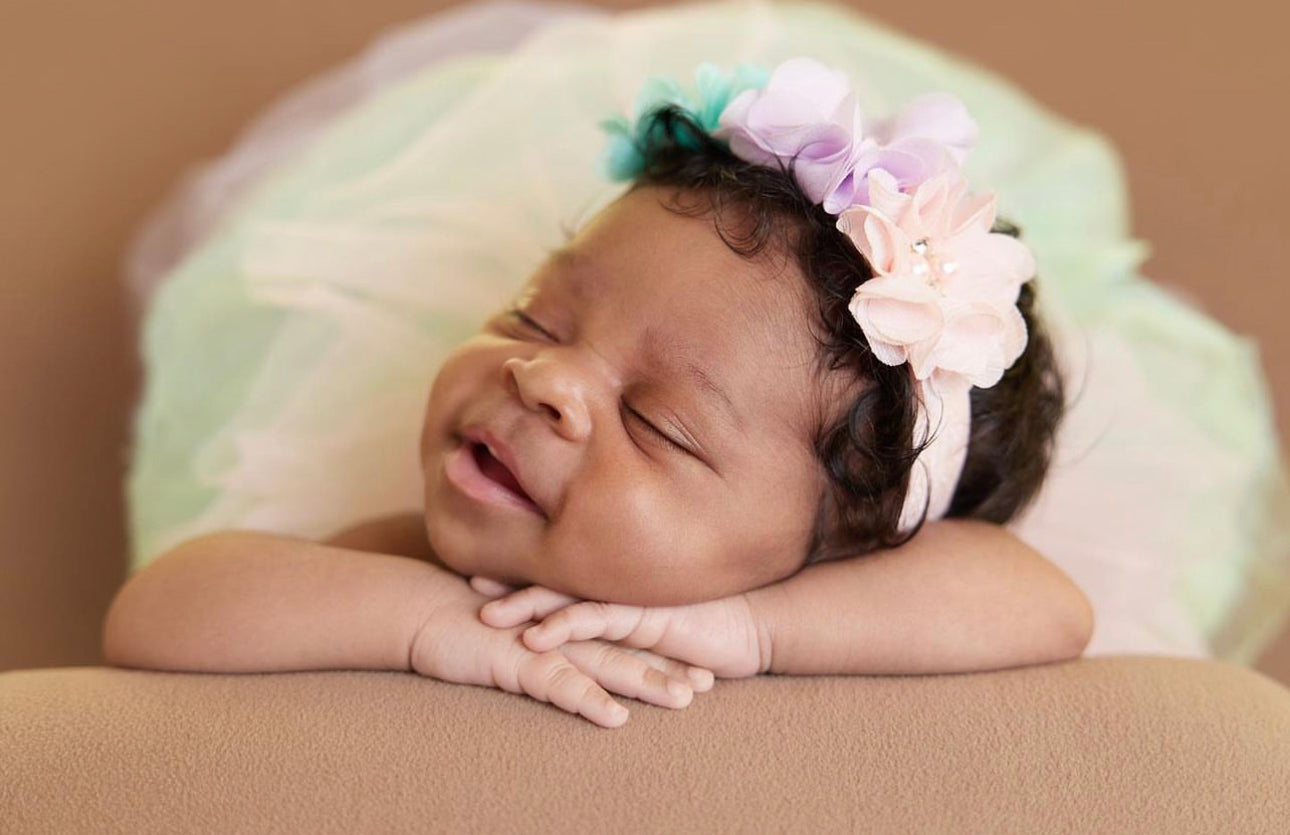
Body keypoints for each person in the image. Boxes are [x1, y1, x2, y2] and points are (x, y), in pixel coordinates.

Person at [103, 58, 1093, 728]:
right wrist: (427, 626)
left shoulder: (790, 604)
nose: (544, 379)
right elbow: (158, 611)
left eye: (658, 419)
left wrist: (752, 627)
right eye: (536, 317)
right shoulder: (431, 577)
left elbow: (1045, 605)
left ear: (842, 545)